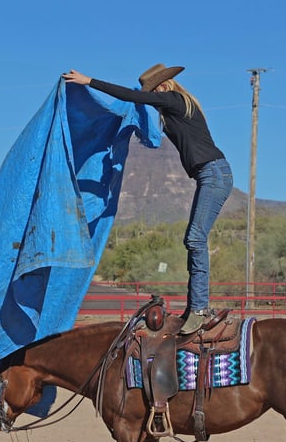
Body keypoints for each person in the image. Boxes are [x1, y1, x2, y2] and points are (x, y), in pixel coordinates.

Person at [62, 64, 234, 334]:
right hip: (211, 174)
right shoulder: (175, 110)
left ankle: (200, 309)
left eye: (153, 93)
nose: (152, 99)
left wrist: (89, 81)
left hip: (214, 174)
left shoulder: (175, 100)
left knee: (195, 239)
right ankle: (195, 307)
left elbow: (134, 98)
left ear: (162, 87)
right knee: (193, 239)